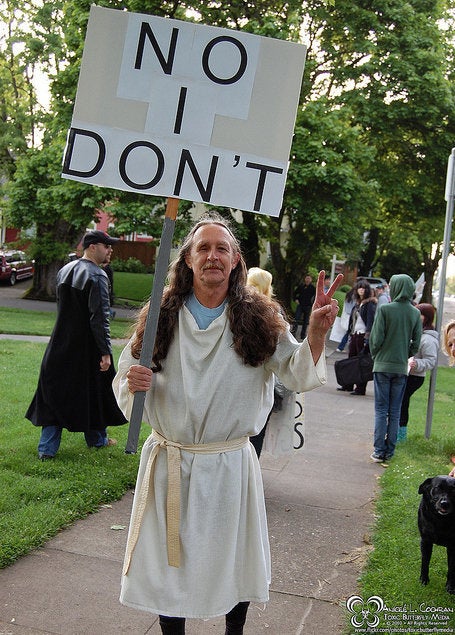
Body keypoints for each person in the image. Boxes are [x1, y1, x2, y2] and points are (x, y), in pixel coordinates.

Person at [112, 214, 343, 634]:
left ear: (236, 260)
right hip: (172, 460)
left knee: (233, 558)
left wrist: (315, 334)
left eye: (222, 248)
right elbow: (126, 382)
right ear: (187, 260)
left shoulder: (257, 318)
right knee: (170, 560)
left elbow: (296, 372)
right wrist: (134, 382)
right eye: (203, 248)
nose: (213, 256)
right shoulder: (160, 316)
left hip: (228, 463)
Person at [26, 230, 128, 459]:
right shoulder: (98, 276)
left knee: (55, 394)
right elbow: (99, 318)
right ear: (92, 247)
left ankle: (47, 450)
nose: (110, 250)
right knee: (96, 392)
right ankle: (98, 441)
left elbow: (64, 312)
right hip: (86, 349)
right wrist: (105, 352)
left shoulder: (64, 270)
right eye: (107, 245)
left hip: (59, 346)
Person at [369, 274, 422, 463]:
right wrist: (406, 353)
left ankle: (378, 450)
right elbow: (417, 343)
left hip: (382, 365)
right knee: (395, 410)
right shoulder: (415, 313)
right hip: (400, 367)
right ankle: (390, 451)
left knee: (381, 410)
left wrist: (377, 356)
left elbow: (376, 340)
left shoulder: (385, 310)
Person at [398, 304, 439, 441]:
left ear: (425, 318)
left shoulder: (429, 339)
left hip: (415, 377)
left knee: (403, 402)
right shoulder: (414, 330)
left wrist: (417, 364)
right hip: (405, 372)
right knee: (399, 402)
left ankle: (401, 435)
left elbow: (431, 361)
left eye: (418, 313)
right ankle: (396, 432)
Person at [337, 280, 377, 395]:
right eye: (359, 288)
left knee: (361, 362)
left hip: (362, 335)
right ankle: (348, 384)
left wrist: (367, 338)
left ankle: (360, 388)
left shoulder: (370, 304)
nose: (361, 290)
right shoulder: (358, 303)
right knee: (351, 360)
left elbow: (370, 321)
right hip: (355, 335)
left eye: (364, 288)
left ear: (367, 290)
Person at [290, 274, 316, 339]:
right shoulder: (301, 286)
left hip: (308, 306)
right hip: (300, 305)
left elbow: (316, 297)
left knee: (305, 321)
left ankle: (303, 335)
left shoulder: (313, 288)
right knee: (296, 319)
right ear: (305, 279)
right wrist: (295, 299)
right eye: (307, 278)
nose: (308, 280)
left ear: (311, 280)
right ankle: (293, 333)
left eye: (309, 279)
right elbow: (295, 293)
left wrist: (312, 304)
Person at [335, 286, 356, 352]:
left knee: (349, 332)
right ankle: (342, 347)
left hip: (347, 315)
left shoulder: (348, 295)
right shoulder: (354, 296)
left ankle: (341, 347)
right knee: (350, 332)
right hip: (351, 316)